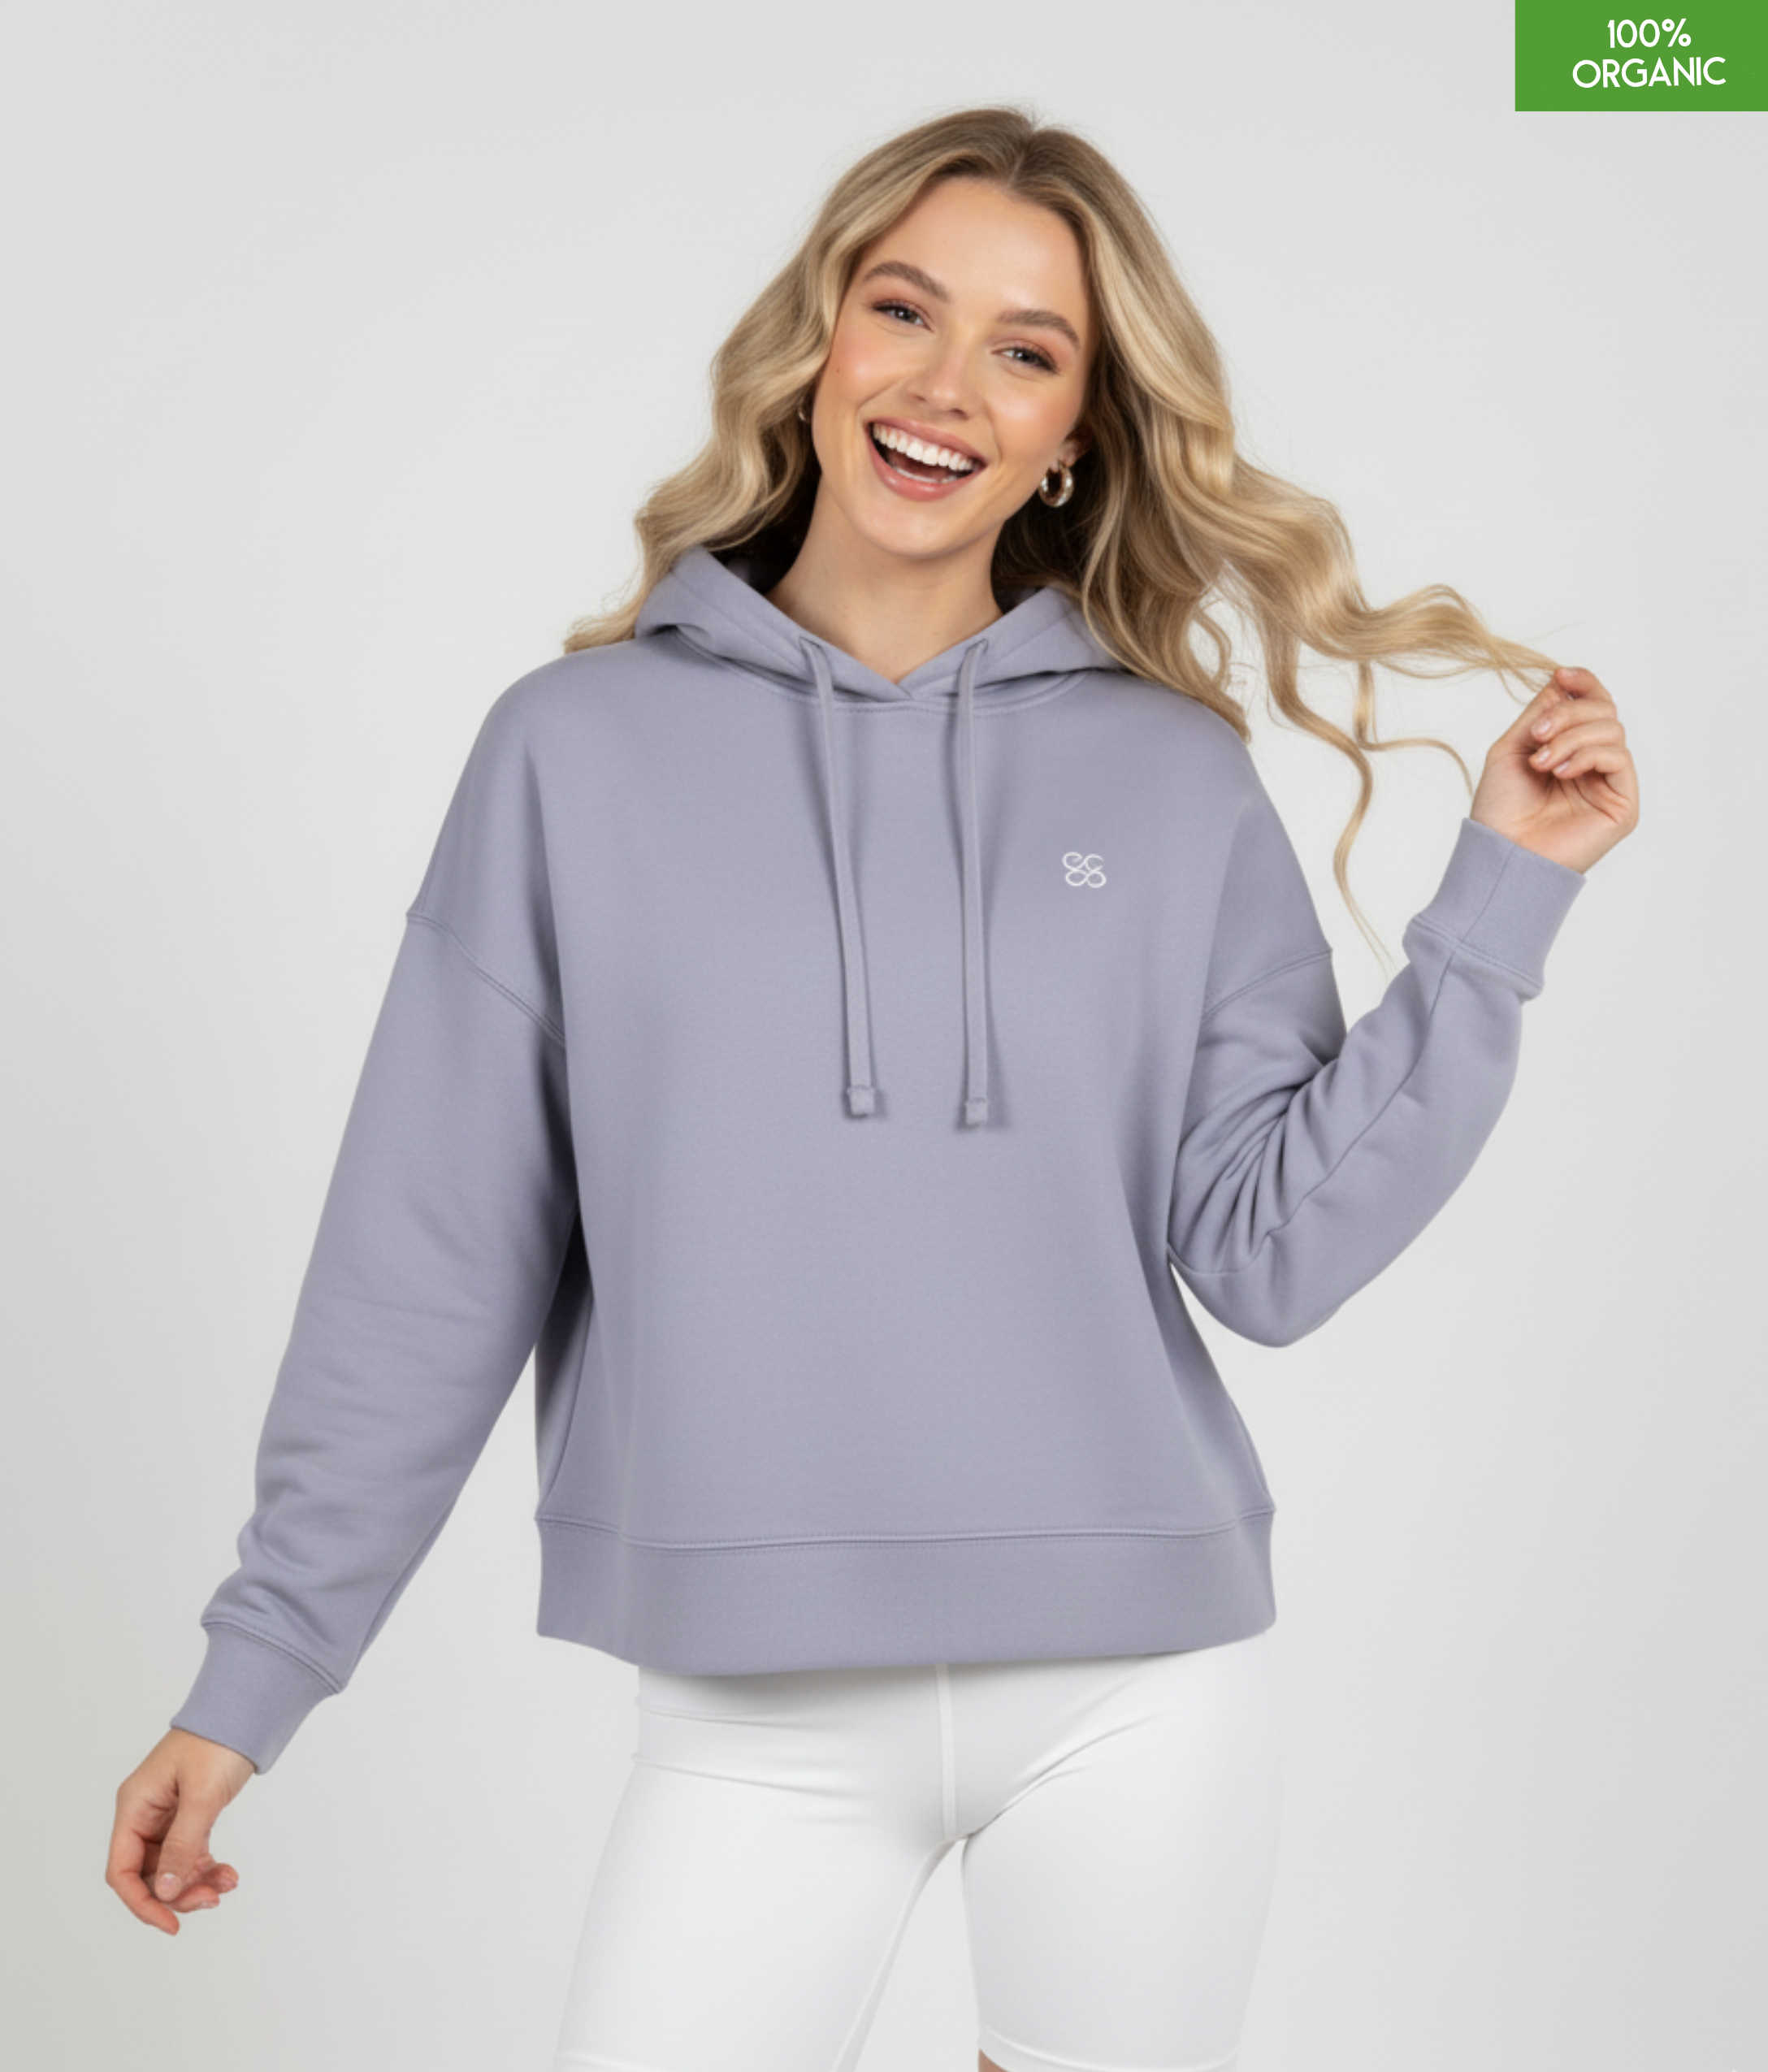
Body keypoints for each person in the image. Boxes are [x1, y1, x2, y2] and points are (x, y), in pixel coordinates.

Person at [107, 106, 1638, 2072]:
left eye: (1025, 349)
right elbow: (427, 1257)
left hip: (1138, 1686)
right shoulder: (573, 752)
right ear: (817, 340)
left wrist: (1498, 904)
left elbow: (1267, 1253)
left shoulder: (1167, 775)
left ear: (1074, 429)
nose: (943, 387)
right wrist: (257, 1677)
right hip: (752, 1713)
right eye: (902, 310)